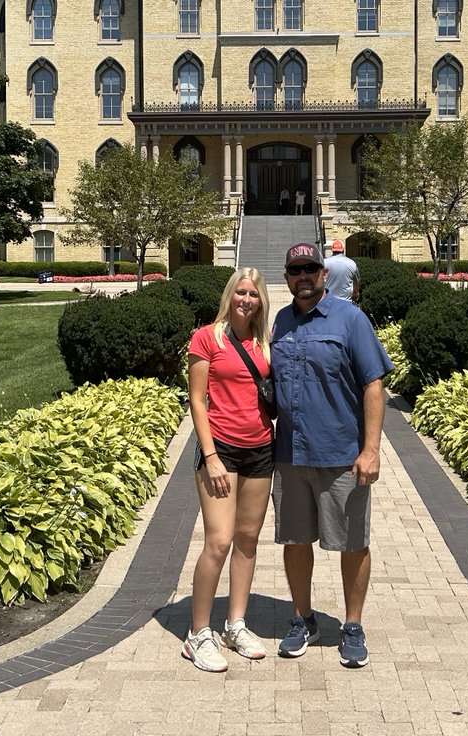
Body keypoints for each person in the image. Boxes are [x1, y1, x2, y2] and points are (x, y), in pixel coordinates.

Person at [272, 242, 392, 669]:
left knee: (352, 542)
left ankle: (353, 624)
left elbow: (373, 382)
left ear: (324, 274)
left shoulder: (351, 318)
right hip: (289, 453)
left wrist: (371, 449)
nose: (302, 276)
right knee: (294, 540)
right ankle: (302, 618)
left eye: (310, 269)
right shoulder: (281, 321)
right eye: (294, 270)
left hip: (341, 453)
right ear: (287, 277)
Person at [184, 268, 274, 672]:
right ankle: (197, 634)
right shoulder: (208, 337)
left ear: (261, 300)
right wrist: (211, 456)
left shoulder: (265, 342)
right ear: (229, 295)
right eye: (240, 292)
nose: (246, 300)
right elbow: (197, 401)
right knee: (219, 541)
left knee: (248, 539)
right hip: (220, 450)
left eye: (253, 294)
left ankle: (235, 624)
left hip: (261, 450)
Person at [324, 238, 359, 304]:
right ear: (343, 249)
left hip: (328, 302)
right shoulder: (351, 263)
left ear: (332, 250)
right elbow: (356, 283)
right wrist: (355, 295)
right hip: (345, 302)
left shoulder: (324, 263)